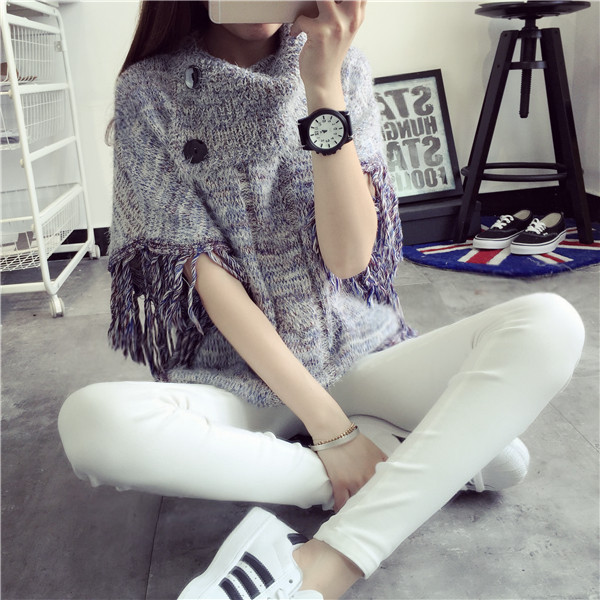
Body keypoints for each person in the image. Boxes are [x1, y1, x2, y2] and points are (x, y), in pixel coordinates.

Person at [57, 1, 585, 598]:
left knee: (548, 330)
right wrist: (334, 435)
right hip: (241, 379)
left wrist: (324, 88)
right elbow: (206, 278)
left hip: (360, 355)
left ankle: (328, 560)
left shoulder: (342, 68)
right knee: (92, 425)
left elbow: (350, 258)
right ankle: (379, 469)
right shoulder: (149, 90)